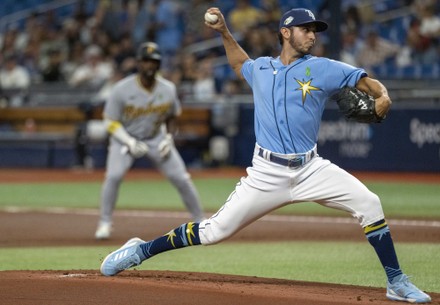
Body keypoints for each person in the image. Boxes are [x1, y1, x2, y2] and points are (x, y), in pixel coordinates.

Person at [99, 8, 431, 304]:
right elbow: (238, 62)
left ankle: (396, 282)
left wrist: (383, 96)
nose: (312, 35)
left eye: (315, 30)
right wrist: (225, 33)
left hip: (310, 168)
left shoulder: (323, 68)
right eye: (306, 29)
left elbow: (367, 82)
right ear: (286, 32)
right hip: (266, 174)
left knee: (369, 202)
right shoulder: (260, 69)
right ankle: (141, 249)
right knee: (215, 232)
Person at [94, 41, 205, 239]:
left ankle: (200, 221)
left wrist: (169, 138)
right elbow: (109, 121)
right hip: (125, 139)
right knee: (113, 176)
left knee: (181, 178)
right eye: (146, 61)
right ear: (138, 63)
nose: (150, 65)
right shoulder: (121, 89)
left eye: (154, 61)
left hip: (156, 138)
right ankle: (105, 222)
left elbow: (172, 116)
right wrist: (128, 141)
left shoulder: (168, 89)